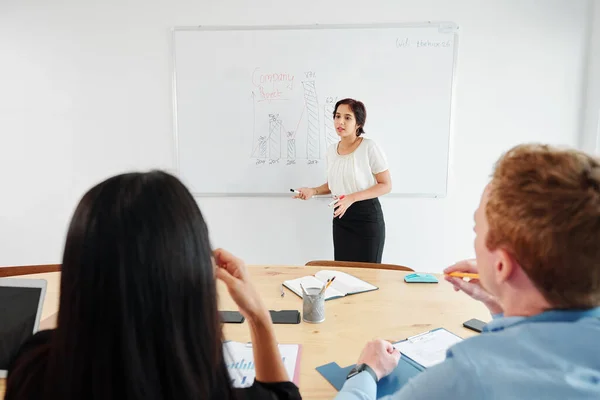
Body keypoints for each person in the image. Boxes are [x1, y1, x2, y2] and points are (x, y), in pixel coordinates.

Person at [335, 143, 600, 399]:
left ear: (502, 266)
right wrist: (503, 304)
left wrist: (366, 370)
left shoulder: (469, 376)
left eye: (477, 228)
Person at [5, 171, 301, 400]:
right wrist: (259, 318)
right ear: (193, 279)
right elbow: (283, 395)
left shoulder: (34, 370)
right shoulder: (210, 389)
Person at [294, 98, 392, 263]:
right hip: (341, 217)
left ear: (358, 123)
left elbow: (386, 185)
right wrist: (313, 191)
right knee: (343, 274)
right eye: (337, 116)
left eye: (347, 118)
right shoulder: (332, 151)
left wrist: (351, 198)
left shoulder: (369, 147)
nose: (340, 122)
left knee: (370, 277)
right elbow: (335, 184)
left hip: (366, 217)